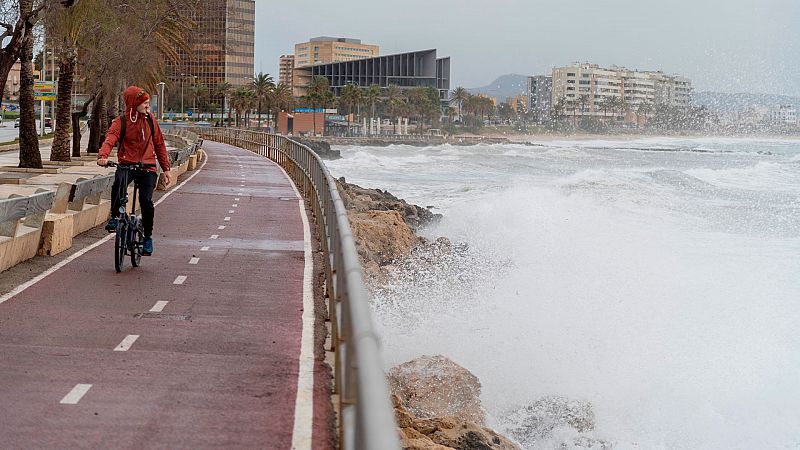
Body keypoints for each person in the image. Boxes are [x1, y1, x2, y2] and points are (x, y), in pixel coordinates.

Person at [97, 85, 172, 256]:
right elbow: (110, 138)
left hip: (148, 167)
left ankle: (147, 238)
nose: (147, 105)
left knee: (146, 201)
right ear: (134, 104)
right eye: (144, 102)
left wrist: (166, 169)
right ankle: (115, 217)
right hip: (127, 165)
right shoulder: (121, 121)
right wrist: (103, 156)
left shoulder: (151, 121)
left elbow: (159, 144)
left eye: (148, 102)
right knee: (118, 186)